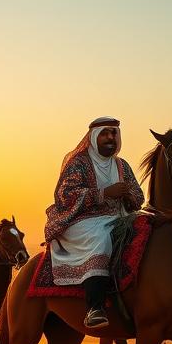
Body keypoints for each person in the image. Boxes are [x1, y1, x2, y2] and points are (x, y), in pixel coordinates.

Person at [45, 117, 144, 327]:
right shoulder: (78, 163)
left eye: (113, 133)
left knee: (146, 229)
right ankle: (95, 308)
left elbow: (138, 195)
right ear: (94, 137)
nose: (110, 138)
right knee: (101, 238)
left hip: (118, 217)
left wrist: (128, 195)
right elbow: (65, 196)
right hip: (83, 220)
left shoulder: (121, 165)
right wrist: (103, 193)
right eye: (105, 133)